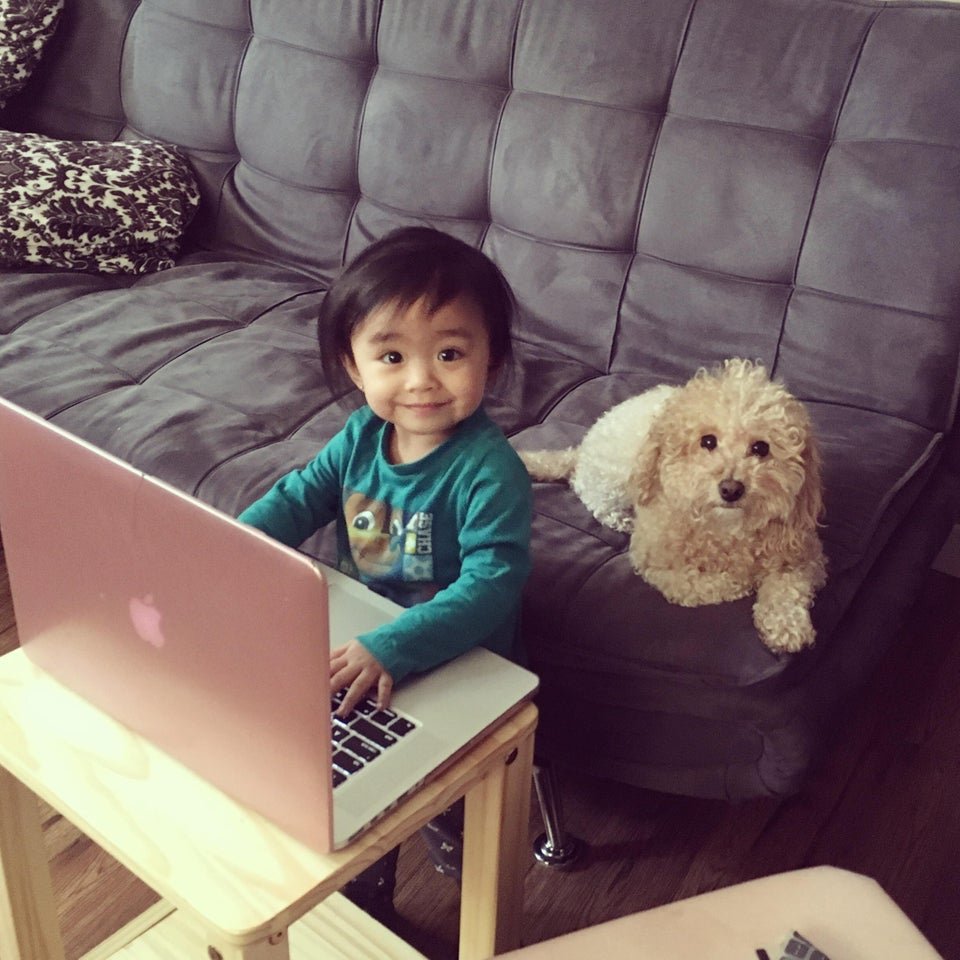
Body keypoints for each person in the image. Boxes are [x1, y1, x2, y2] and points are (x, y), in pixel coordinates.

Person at [238, 225, 532, 917]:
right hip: (366, 641)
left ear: (490, 359)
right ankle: (366, 901)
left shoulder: (490, 470)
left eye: (451, 352)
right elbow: (301, 495)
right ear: (352, 363)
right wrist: (234, 548)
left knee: (451, 805)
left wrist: (394, 645)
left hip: (461, 659)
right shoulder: (361, 437)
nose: (421, 379)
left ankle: (466, 864)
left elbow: (493, 584)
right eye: (392, 355)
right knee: (358, 794)